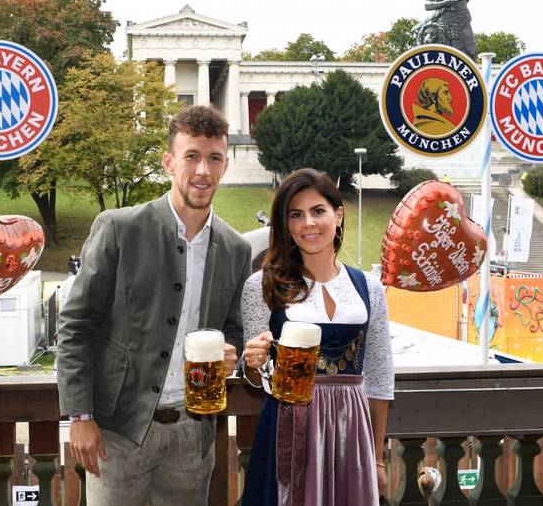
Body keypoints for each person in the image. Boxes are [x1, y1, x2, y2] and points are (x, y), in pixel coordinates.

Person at [55, 105, 252, 506]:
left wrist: (232, 351)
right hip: (118, 431)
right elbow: (75, 325)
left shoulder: (236, 248)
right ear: (169, 162)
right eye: (191, 156)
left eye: (214, 158)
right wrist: (80, 416)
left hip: (191, 434)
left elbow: (233, 328)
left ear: (225, 165)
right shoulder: (119, 228)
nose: (203, 170)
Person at [239, 168, 394, 505]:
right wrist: (253, 361)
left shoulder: (370, 287)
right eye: (296, 215)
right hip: (288, 427)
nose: (308, 223)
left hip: (349, 431)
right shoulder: (261, 286)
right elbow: (255, 378)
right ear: (286, 225)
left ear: (338, 216)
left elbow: (380, 377)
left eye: (318, 211)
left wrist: (377, 456)